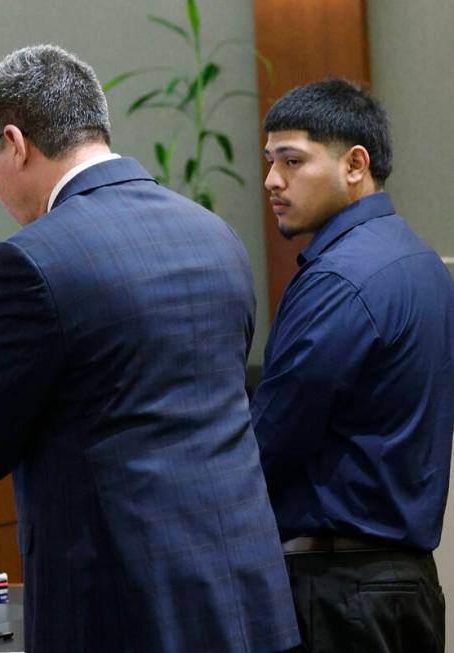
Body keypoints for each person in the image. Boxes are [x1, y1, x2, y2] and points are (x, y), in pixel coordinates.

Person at [0, 44, 299, 653]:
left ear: (16, 143)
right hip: (248, 598)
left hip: (121, 612)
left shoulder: (27, 262)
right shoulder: (215, 235)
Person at [251, 79, 453, 652]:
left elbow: (271, 440)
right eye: (270, 162)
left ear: (355, 165)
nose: (272, 180)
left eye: (293, 161)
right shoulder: (420, 259)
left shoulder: (339, 279)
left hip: (340, 593)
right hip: (405, 587)